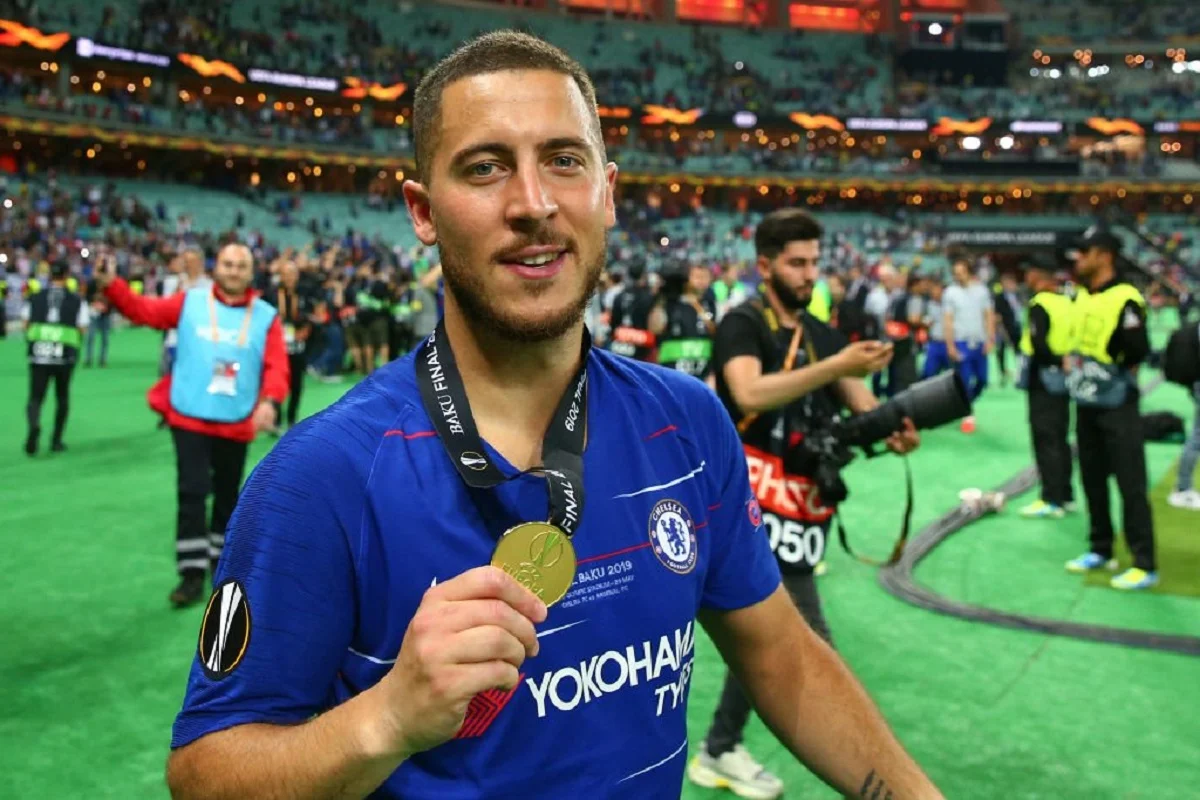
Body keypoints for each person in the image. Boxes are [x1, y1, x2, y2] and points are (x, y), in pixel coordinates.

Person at [164, 32, 944, 800]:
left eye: (564, 161)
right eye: (485, 167)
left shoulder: (688, 422)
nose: (533, 204)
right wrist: (386, 719)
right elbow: (206, 771)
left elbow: (782, 656)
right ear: (423, 212)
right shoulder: (320, 475)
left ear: (607, 192)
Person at [688, 208, 919, 799]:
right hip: (748, 508)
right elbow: (748, 392)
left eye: (814, 262)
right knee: (804, 648)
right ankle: (726, 750)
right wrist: (836, 365)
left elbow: (864, 405)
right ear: (765, 265)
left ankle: (719, 748)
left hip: (799, 510)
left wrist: (896, 426)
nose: (809, 274)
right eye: (796, 263)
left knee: (771, 636)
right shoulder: (743, 322)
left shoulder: (822, 334)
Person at [97, 243, 290, 607]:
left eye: (241, 266)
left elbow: (277, 365)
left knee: (228, 497)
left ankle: (222, 567)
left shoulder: (265, 316)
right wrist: (113, 285)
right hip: (190, 415)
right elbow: (144, 311)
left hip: (235, 420)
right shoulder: (190, 302)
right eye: (228, 264)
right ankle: (190, 575)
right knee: (192, 491)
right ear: (217, 268)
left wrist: (270, 401)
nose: (234, 271)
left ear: (251, 272)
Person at [1063, 227, 1157, 590]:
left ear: (1104, 255)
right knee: (1091, 477)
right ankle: (1100, 547)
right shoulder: (1080, 296)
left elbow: (1137, 349)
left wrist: (1110, 374)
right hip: (1086, 402)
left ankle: (1144, 563)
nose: (1079, 258)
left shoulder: (1126, 297)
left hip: (1118, 404)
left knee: (1130, 482)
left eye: (1086, 252)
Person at [1017, 264, 1076, 519]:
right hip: (1064, 376)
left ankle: (1051, 498)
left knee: (1045, 437)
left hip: (1042, 377)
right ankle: (1066, 494)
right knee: (1061, 436)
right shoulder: (1067, 302)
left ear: (1038, 275)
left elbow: (1039, 343)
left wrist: (1053, 360)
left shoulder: (1040, 304)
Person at [23, 260, 89, 455]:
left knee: (36, 397)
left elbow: (25, 322)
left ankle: (34, 425)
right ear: (67, 276)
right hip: (64, 355)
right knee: (62, 397)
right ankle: (56, 440)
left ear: (50, 275)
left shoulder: (35, 297)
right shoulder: (77, 300)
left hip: (39, 353)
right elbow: (82, 327)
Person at [942, 258, 995, 433]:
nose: (958, 276)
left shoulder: (982, 291)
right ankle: (968, 413)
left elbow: (988, 315)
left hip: (979, 341)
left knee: (982, 380)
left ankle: (962, 404)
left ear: (969, 272)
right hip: (961, 341)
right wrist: (950, 345)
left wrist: (990, 339)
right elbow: (948, 320)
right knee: (964, 380)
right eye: (955, 273)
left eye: (961, 272)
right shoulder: (950, 293)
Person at [651, 261, 717, 386]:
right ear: (687, 279)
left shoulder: (711, 303)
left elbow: (715, 335)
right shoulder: (670, 302)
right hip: (671, 376)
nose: (701, 281)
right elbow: (655, 328)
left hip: (702, 377)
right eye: (697, 277)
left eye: (705, 277)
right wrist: (660, 298)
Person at [268, 259, 315, 429]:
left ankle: (291, 418)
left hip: (297, 345)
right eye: (286, 274)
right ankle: (276, 419)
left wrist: (306, 330)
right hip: (277, 346)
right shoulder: (272, 294)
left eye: (292, 274)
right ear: (280, 276)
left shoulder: (304, 293)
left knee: (296, 384)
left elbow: (311, 315)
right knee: (277, 382)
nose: (289, 277)